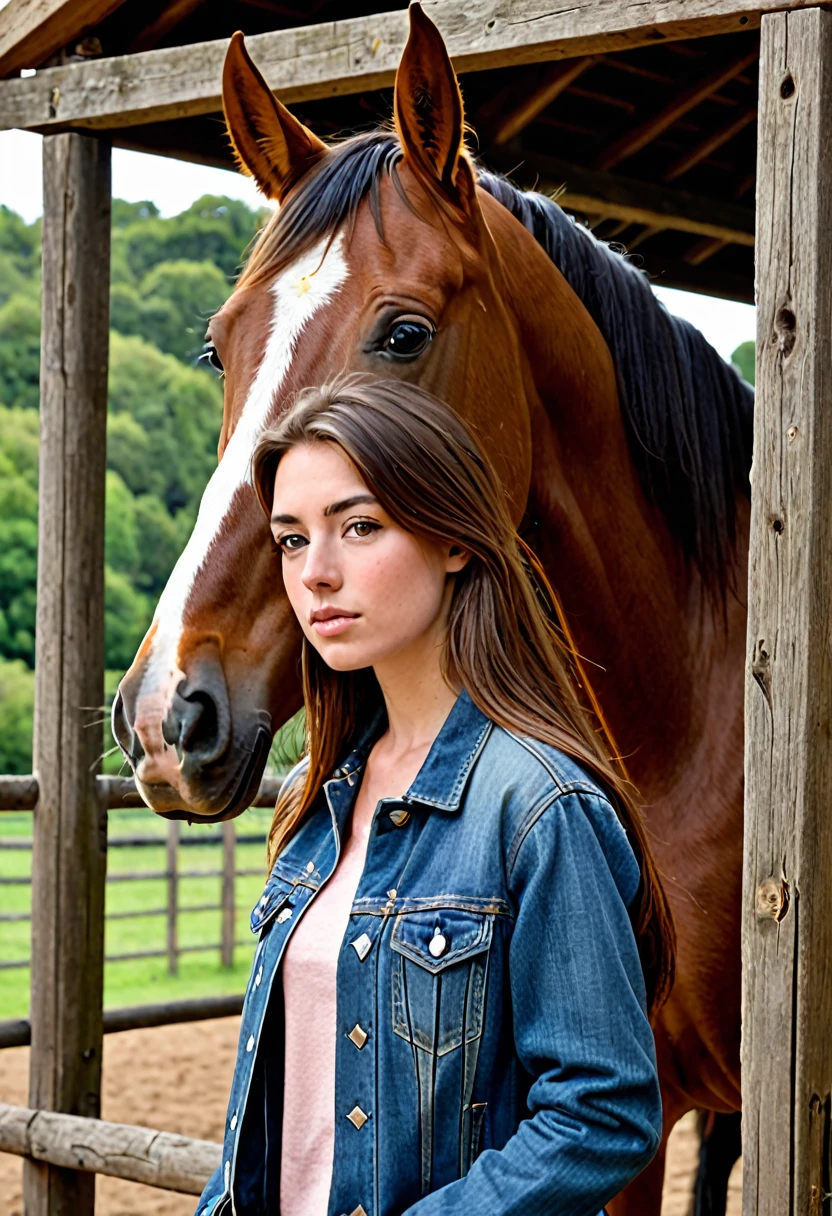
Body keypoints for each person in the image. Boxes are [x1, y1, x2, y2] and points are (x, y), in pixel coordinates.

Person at [195, 375, 674, 1216]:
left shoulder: (538, 806)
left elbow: (602, 1113)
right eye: (292, 540)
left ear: (454, 539)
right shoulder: (318, 801)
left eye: (360, 527)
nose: (317, 574)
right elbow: (271, 1121)